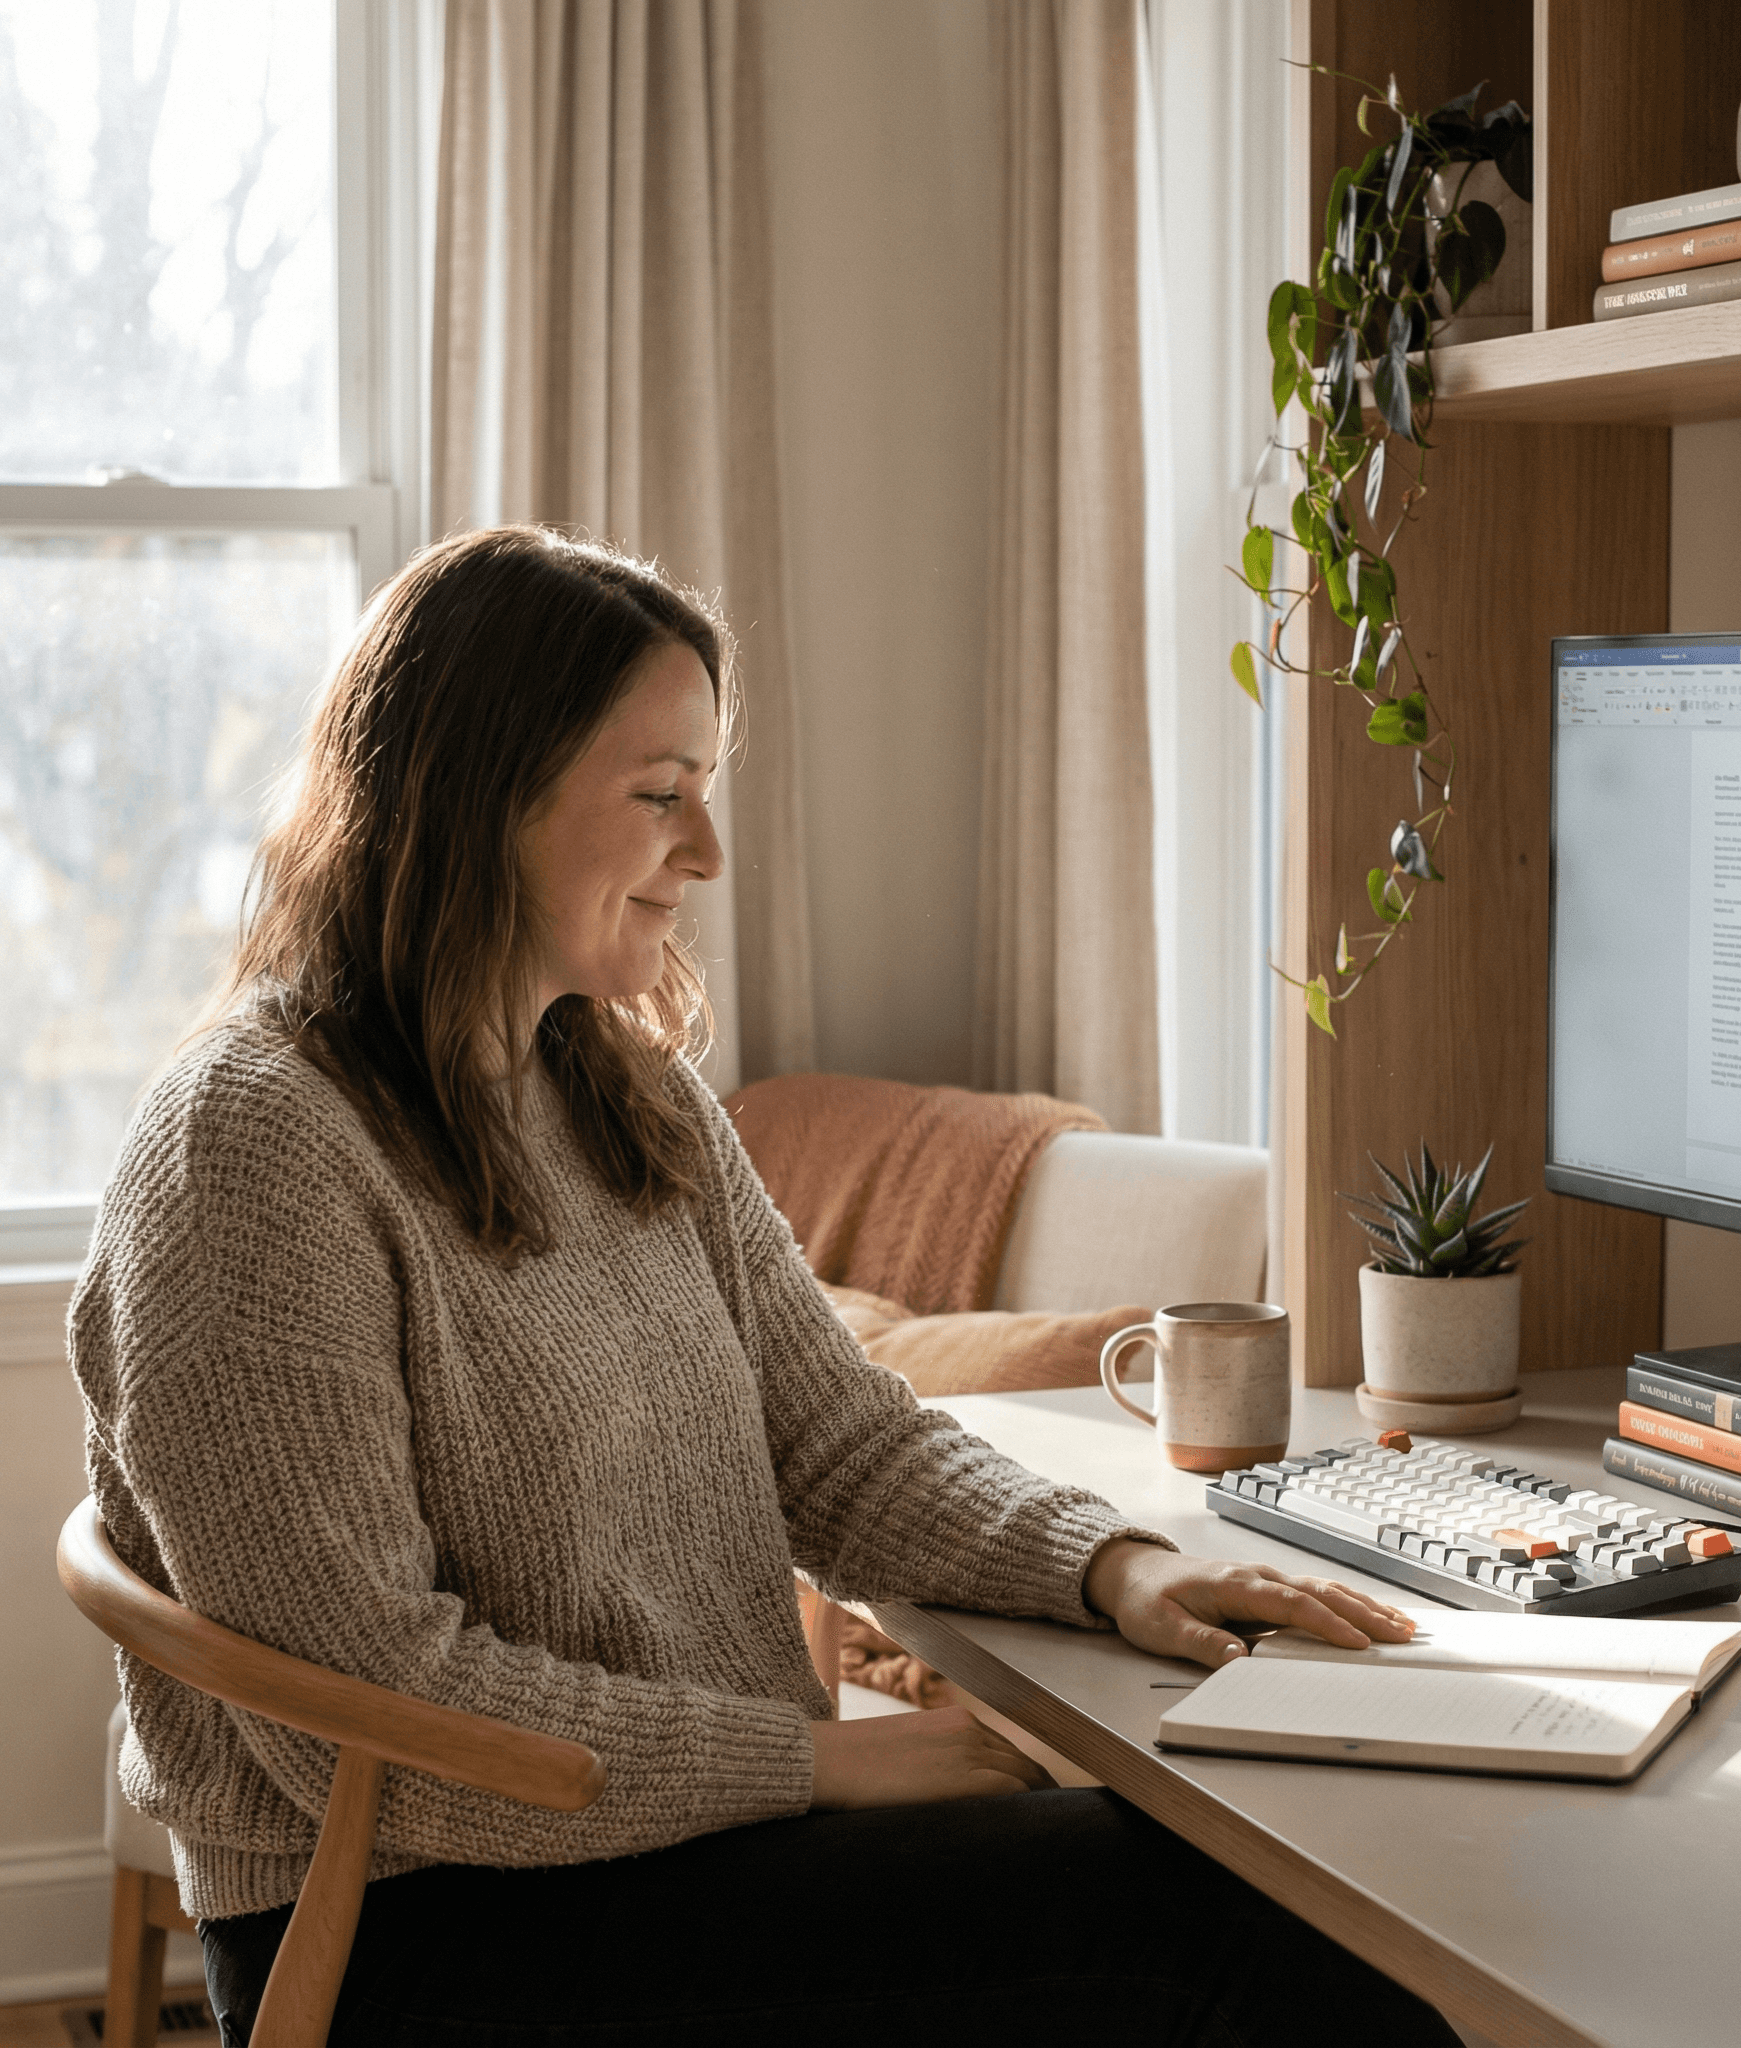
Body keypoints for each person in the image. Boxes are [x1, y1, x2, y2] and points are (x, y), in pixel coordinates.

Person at [70, 527, 1460, 2046]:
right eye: (661, 796)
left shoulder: (615, 1087)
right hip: (418, 1930)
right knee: (1224, 1926)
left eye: (707, 794)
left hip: (670, 1849)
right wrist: (815, 1766)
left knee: (1262, 1887)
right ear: (480, 796)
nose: (708, 854)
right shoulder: (254, 1146)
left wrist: (1115, 1568)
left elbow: (843, 1443)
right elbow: (368, 1709)